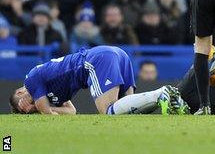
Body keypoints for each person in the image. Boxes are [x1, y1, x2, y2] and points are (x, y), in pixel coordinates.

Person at [9, 45, 187, 115]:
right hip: (115, 54)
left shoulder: (30, 80)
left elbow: (48, 114)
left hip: (94, 61)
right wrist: (39, 108)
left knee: (107, 112)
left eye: (23, 103)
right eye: (25, 110)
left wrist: (39, 108)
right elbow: (71, 112)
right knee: (129, 114)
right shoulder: (50, 91)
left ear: (20, 92)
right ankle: (169, 99)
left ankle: (161, 94)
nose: (29, 107)